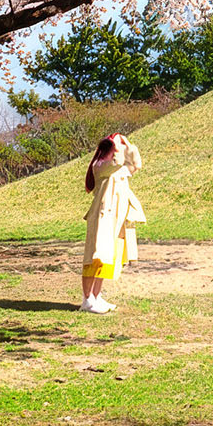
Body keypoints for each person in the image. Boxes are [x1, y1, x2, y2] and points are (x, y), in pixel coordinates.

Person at [80, 134, 147, 315]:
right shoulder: (101, 166)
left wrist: (129, 144)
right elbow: (117, 162)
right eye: (116, 149)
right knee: (94, 257)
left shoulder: (117, 170)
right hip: (102, 217)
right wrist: (116, 145)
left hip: (115, 219)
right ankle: (87, 299)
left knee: (108, 257)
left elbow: (136, 165)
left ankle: (96, 295)